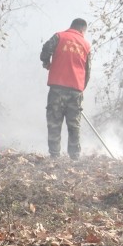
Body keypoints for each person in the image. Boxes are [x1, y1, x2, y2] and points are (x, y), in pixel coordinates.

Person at [40, 18, 91, 160]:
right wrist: (81, 89)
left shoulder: (59, 36)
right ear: (82, 30)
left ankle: (54, 155)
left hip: (56, 88)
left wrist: (46, 62)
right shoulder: (86, 45)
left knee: (54, 122)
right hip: (76, 91)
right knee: (74, 125)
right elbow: (88, 71)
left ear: (72, 26)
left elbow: (45, 49)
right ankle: (74, 157)